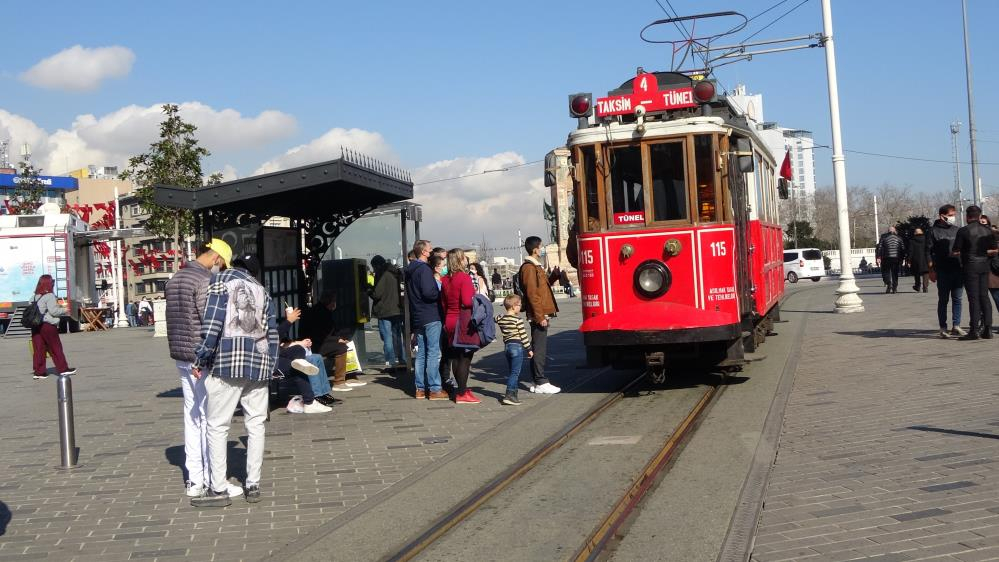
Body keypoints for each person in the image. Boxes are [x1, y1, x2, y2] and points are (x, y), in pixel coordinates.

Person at [191, 254, 278, 507]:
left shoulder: (220, 282)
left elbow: (213, 324)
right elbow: (271, 334)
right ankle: (253, 485)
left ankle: (218, 489)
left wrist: (201, 358)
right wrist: (270, 366)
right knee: (256, 424)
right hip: (259, 366)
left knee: (218, 426)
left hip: (227, 364)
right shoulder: (263, 291)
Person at [164, 238, 232, 498]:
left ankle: (194, 481)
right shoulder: (204, 281)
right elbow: (209, 321)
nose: (221, 269)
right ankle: (213, 478)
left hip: (181, 356)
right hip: (199, 357)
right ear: (215, 258)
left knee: (191, 416)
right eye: (222, 264)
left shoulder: (177, 278)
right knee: (208, 416)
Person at [519, 236, 561, 394]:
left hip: (541, 312)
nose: (542, 249)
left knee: (538, 346)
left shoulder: (535, 266)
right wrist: (540, 316)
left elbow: (541, 288)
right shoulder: (529, 267)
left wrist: (554, 276)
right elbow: (532, 294)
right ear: (535, 249)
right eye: (541, 247)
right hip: (538, 313)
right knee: (539, 348)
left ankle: (538, 381)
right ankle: (540, 380)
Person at [405, 240, 447, 400]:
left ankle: (419, 388)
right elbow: (429, 293)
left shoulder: (411, 270)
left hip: (418, 315)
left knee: (421, 354)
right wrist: (440, 292)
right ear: (423, 252)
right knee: (433, 353)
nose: (431, 252)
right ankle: (435, 388)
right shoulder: (424, 270)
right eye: (429, 249)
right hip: (430, 314)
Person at [302, 293, 365, 392]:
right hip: (315, 344)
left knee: (347, 344)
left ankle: (350, 376)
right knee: (342, 348)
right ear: (330, 303)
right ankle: (339, 382)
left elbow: (331, 331)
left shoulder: (325, 311)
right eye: (334, 302)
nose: (335, 304)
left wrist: (340, 338)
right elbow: (319, 334)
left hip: (322, 341)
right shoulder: (319, 313)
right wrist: (337, 339)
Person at [441, 248, 480, 404]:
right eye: (464, 258)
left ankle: (460, 389)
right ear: (459, 260)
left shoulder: (444, 279)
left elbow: (443, 303)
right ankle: (462, 393)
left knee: (456, 357)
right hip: (462, 320)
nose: (466, 260)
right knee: (465, 357)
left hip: (449, 320)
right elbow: (467, 301)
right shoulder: (463, 277)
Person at [952, 205, 998, 340]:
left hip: (970, 266)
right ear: (979, 216)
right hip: (984, 265)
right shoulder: (988, 230)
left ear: (967, 216)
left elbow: (956, 250)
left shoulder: (963, 231)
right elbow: (994, 249)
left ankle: (974, 330)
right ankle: (988, 329)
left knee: (973, 298)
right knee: (984, 296)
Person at [927, 204, 966, 338]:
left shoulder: (957, 230)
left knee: (958, 299)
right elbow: (928, 252)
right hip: (942, 270)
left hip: (958, 268)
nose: (953, 217)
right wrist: (931, 270)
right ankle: (943, 327)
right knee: (943, 300)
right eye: (950, 215)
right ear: (942, 216)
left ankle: (956, 325)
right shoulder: (933, 231)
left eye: (954, 215)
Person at [29, 274, 75, 380]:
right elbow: (54, 311)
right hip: (47, 325)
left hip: (35, 325)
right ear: (49, 284)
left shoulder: (34, 296)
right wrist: (65, 309)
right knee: (55, 347)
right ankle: (63, 369)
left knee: (38, 349)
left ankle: (39, 372)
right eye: (52, 282)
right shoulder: (49, 296)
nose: (53, 284)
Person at [496, 294, 533, 405]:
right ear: (513, 306)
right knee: (515, 373)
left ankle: (514, 395)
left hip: (507, 348)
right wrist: (529, 349)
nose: (520, 307)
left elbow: (494, 318)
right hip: (516, 347)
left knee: (512, 371)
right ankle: (509, 394)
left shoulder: (500, 318)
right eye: (519, 305)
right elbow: (523, 336)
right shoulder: (517, 320)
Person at [370, 255, 406, 370]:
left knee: (387, 337)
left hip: (385, 311)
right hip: (397, 309)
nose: (374, 270)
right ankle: (402, 360)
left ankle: (390, 363)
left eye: (374, 267)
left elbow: (377, 294)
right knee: (397, 337)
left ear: (377, 265)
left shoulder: (383, 274)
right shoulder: (395, 272)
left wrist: (368, 289)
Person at [876, 226, 905, 294]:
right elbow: (903, 248)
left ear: (888, 231)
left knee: (886, 272)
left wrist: (878, 257)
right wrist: (902, 258)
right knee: (895, 273)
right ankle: (894, 287)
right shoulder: (899, 238)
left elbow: (879, 248)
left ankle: (889, 283)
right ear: (894, 231)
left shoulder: (883, 237)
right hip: (896, 258)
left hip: (886, 257)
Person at [907, 228, 929, 293]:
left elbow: (910, 251)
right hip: (925, 258)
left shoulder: (912, 241)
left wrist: (909, 260)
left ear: (915, 233)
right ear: (922, 232)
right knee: (926, 272)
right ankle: (925, 287)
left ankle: (917, 286)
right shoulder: (926, 239)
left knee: (917, 273)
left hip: (915, 259)